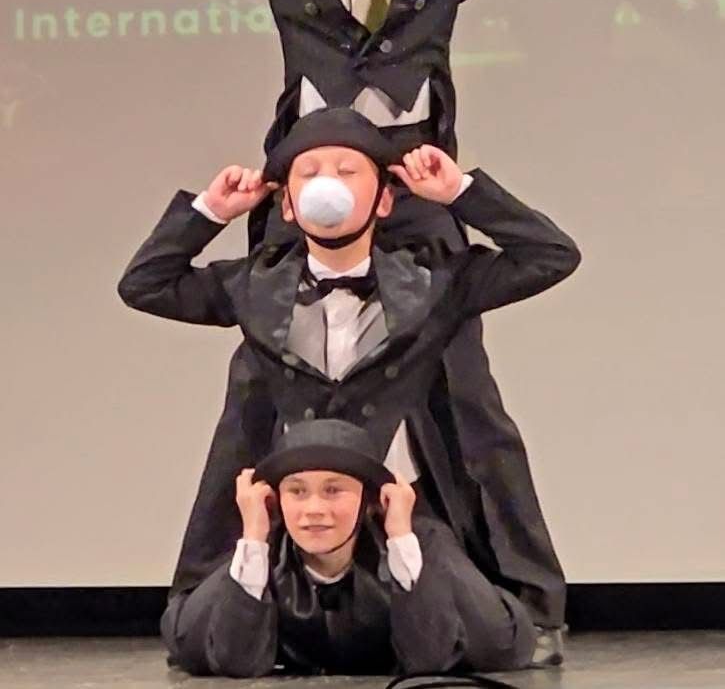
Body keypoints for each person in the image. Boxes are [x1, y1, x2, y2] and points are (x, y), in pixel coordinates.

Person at [129, 0, 587, 648]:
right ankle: (204, 608)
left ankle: (522, 605)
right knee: (257, 400)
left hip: (415, 187)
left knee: (463, 401)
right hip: (306, 185)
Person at [118, 108, 580, 657]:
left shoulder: (434, 279)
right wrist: (210, 212)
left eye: (346, 171)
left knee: (492, 640)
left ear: (383, 199)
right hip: (295, 513)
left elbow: (552, 256)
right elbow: (145, 285)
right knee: (199, 640)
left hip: (400, 511)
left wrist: (460, 192)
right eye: (310, 173)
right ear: (287, 204)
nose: (328, 184)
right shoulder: (254, 284)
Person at [161, 418, 537, 677]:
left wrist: (401, 539)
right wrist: (255, 536)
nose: (313, 509)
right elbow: (235, 662)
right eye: (297, 491)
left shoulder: (423, 545)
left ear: (368, 499)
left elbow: (430, 658)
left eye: (333, 490)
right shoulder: (264, 552)